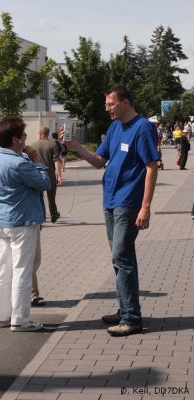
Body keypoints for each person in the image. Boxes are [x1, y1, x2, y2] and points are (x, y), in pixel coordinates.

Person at [67, 85, 159, 336]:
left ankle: (132, 318)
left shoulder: (143, 128)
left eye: (111, 103)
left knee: (122, 255)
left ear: (126, 102)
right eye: (107, 104)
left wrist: (146, 208)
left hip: (129, 203)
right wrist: (77, 147)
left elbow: (152, 167)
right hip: (110, 200)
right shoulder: (115, 126)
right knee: (119, 257)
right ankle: (125, 309)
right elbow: (99, 161)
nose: (107, 108)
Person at [0, 116, 51, 332]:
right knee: (22, 270)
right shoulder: (20, 162)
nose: (25, 140)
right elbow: (44, 183)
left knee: (1, 270)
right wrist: (37, 160)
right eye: (23, 136)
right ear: (14, 139)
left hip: (0, 221)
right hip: (22, 222)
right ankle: (20, 319)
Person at [31, 127, 62, 223]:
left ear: (40, 134)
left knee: (39, 196)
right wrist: (59, 175)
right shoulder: (53, 144)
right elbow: (56, 160)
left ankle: (42, 216)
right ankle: (53, 214)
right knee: (51, 197)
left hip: (36, 174)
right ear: (47, 134)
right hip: (50, 174)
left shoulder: (33, 145)